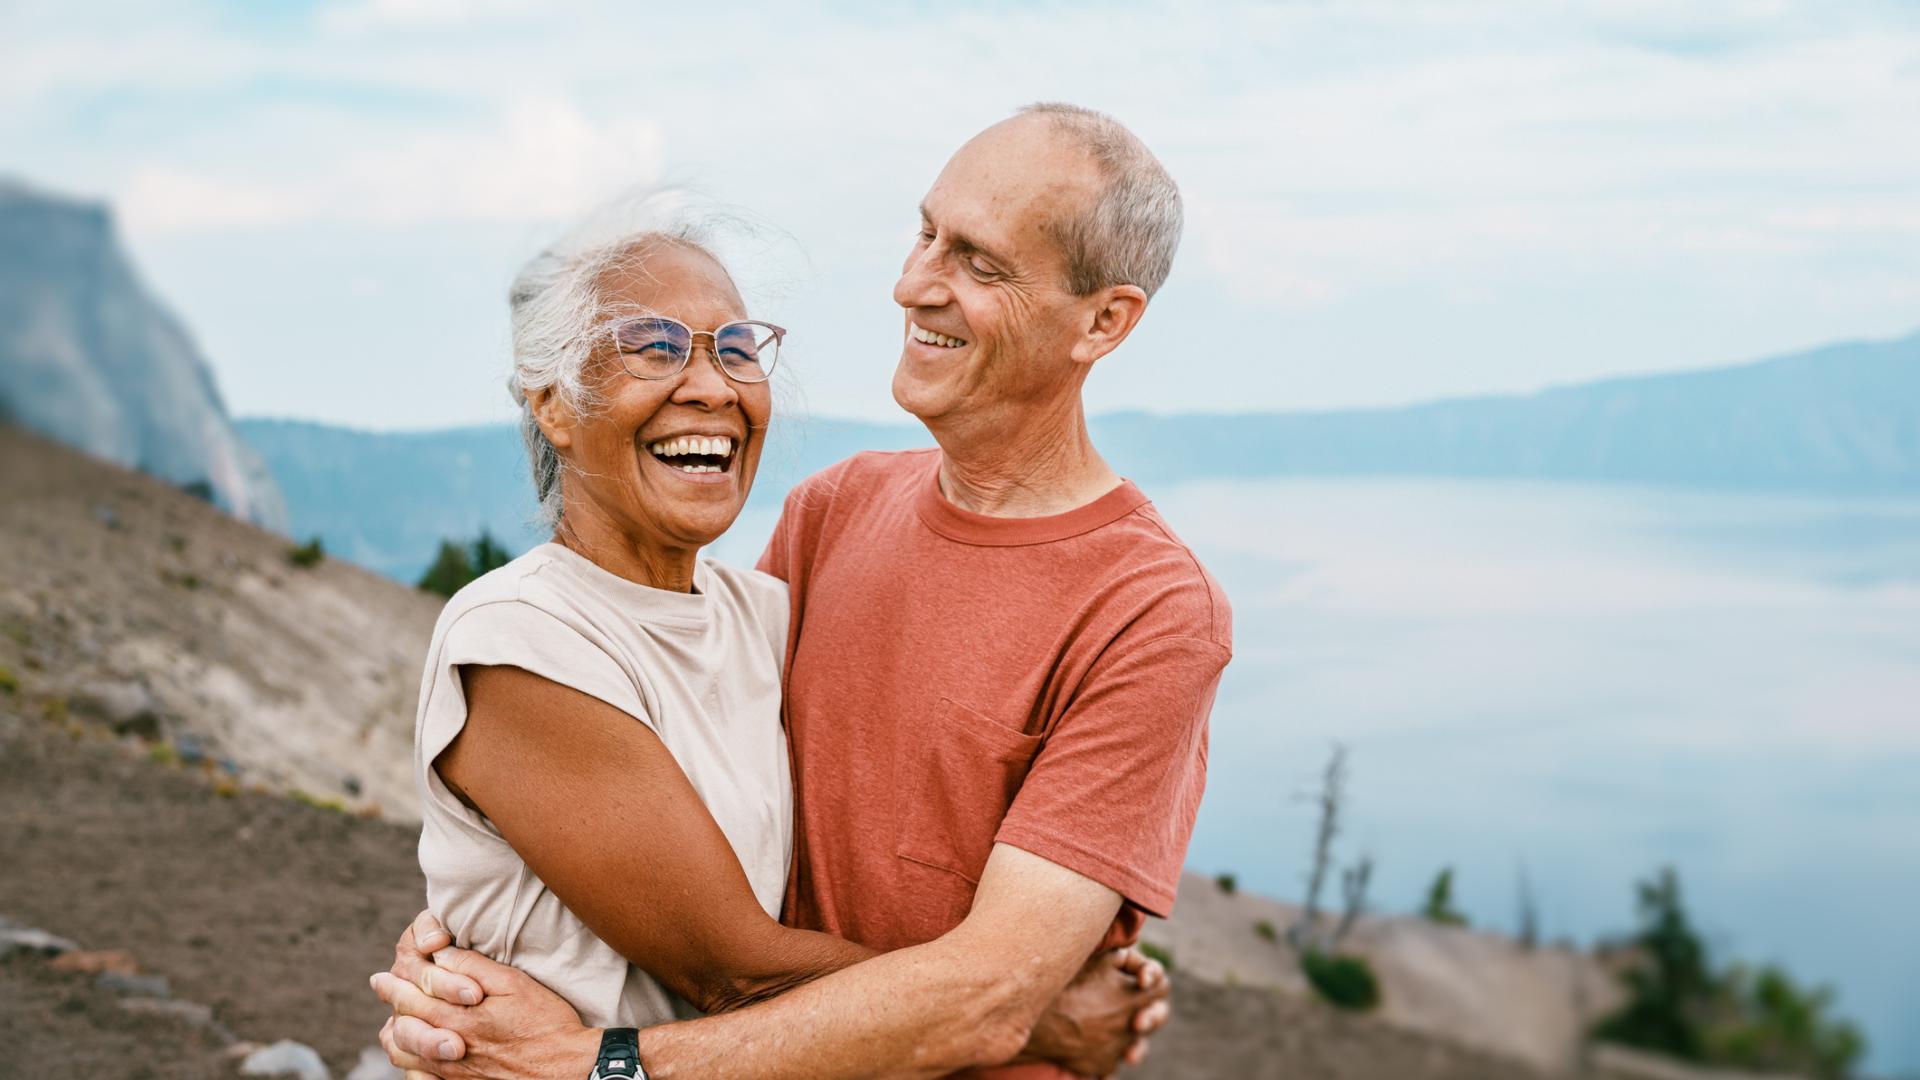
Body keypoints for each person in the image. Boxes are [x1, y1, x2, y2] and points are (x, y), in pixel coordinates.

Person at [375, 102, 1231, 1080]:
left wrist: (582, 1052)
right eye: (925, 235)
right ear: (549, 403)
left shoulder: (1151, 610)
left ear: (1106, 320)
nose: (914, 286)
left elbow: (973, 995)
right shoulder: (835, 514)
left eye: (979, 264)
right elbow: (725, 941)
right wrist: (472, 935)